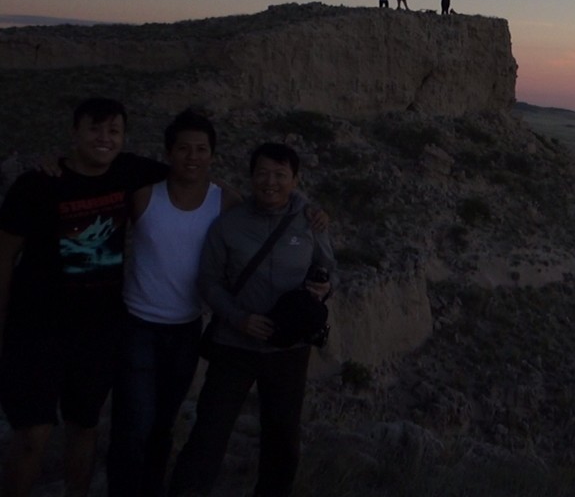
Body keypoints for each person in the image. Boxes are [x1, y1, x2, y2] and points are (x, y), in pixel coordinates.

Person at [0, 98, 167, 497]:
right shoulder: (37, 185)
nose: (104, 139)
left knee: (85, 426)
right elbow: (4, 255)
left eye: (113, 131)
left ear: (124, 137)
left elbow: (192, 174)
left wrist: (296, 206)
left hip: (98, 330)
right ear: (75, 133)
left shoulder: (129, 170)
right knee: (32, 433)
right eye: (94, 129)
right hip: (36, 328)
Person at [168, 143, 335, 497]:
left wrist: (324, 287)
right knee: (209, 434)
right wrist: (239, 319)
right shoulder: (227, 226)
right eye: (262, 173)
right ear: (251, 177)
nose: (270, 182)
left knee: (282, 439)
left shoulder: (309, 222)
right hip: (235, 346)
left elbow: (329, 268)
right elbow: (208, 282)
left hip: (288, 350)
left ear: (295, 179)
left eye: (280, 174)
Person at [106, 111, 241, 497]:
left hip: (186, 328)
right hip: (138, 325)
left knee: (163, 425)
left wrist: (310, 212)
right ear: (169, 152)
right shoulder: (145, 194)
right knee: (134, 425)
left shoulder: (224, 201)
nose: (192, 157)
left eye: (201, 149)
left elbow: (265, 218)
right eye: (184, 148)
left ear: (212, 154)